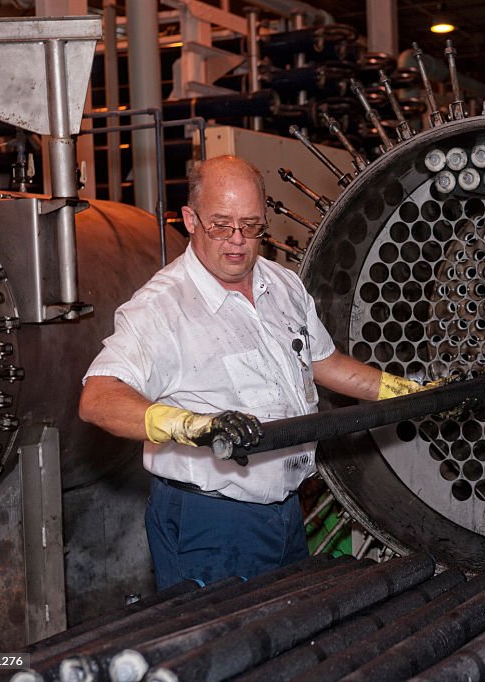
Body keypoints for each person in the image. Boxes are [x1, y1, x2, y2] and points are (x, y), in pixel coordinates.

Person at [80, 155, 430, 590]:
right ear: (190, 219)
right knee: (222, 650)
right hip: (211, 523)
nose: (237, 241)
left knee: (284, 640)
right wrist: (189, 425)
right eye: (221, 225)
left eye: (251, 226)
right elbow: (97, 398)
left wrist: (407, 392)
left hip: (285, 512)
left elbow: (323, 363)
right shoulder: (162, 308)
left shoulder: (282, 284)